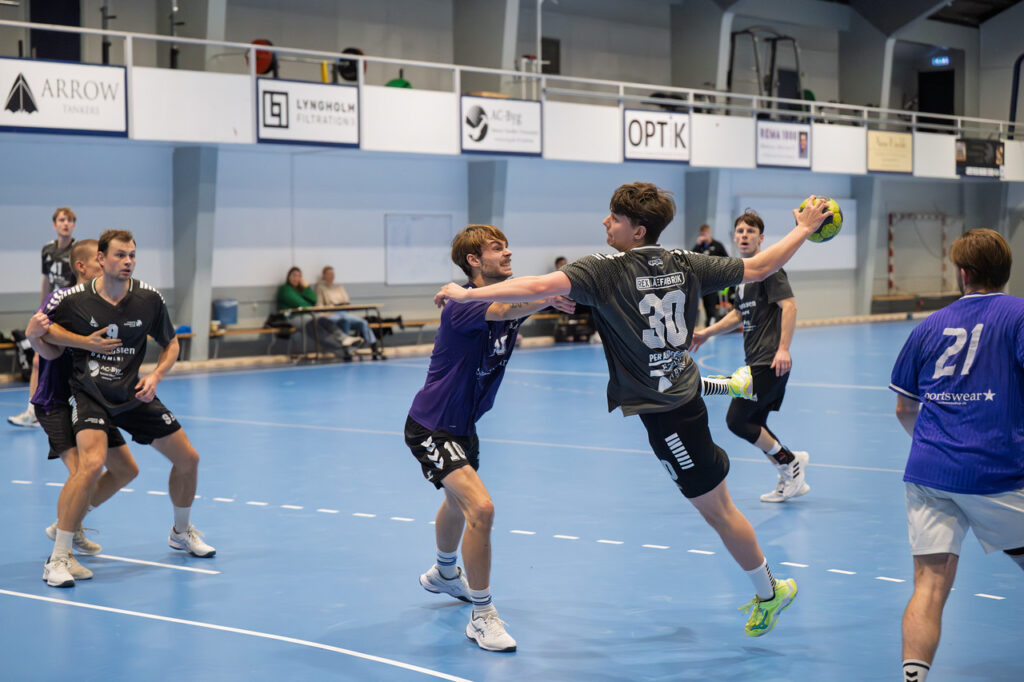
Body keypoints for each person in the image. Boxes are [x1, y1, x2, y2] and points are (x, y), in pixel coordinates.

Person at [434, 183, 832, 637]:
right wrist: (802, 230)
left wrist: (467, 294)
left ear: (637, 229)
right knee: (714, 496)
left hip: (670, 415)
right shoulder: (685, 261)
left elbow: (540, 284)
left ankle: (770, 592)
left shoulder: (604, 270)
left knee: (719, 512)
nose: (605, 222)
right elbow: (762, 265)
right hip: (676, 391)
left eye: (614, 218)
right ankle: (728, 387)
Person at [408, 224, 574, 653]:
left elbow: (516, 303)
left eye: (506, 246)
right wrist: (549, 296)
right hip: (432, 425)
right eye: (497, 248)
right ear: (473, 261)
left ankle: (445, 573)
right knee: (481, 508)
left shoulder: (500, 299)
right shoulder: (463, 304)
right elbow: (503, 308)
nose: (508, 252)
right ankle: (482, 616)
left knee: (456, 502)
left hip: (464, 425)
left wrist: (548, 299)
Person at [41, 229, 216, 588]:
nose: (128, 261)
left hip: (133, 392)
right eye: (120, 255)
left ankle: (181, 532)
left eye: (132, 255)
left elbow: (171, 344)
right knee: (91, 465)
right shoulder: (72, 300)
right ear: (101, 259)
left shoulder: (148, 298)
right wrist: (83, 341)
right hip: (89, 393)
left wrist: (156, 376)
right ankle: (57, 558)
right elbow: (45, 333)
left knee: (189, 459)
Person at [889, 228, 1024, 682]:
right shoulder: (1019, 316)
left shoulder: (928, 326)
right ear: (1005, 271)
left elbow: (904, 408)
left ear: (962, 273)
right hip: (997, 473)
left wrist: (937, 447)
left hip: (928, 473)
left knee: (929, 586)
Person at [26, 239, 141, 585]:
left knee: (126, 469)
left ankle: (71, 524)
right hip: (57, 400)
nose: (107, 265)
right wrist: (40, 337)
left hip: (92, 399)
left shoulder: (107, 300)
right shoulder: (61, 300)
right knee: (82, 471)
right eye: (99, 261)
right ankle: (60, 558)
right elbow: (44, 343)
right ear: (83, 266)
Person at [690, 210, 808, 503]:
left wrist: (783, 348)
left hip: (770, 360)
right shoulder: (742, 276)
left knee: (737, 420)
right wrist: (706, 333)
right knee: (755, 422)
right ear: (734, 237)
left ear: (761, 238)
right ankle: (789, 472)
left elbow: (789, 306)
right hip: (755, 359)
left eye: (750, 231)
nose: (744, 236)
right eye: (740, 231)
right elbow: (737, 314)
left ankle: (790, 461)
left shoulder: (771, 269)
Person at [9, 207, 78, 428]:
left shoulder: (77, 251)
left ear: (74, 225)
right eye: (62, 220)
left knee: (63, 362)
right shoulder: (48, 250)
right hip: (53, 312)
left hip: (72, 314)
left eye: (70, 220)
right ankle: (34, 411)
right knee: (38, 359)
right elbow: (47, 281)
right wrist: (42, 309)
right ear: (54, 224)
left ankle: (68, 409)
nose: (66, 223)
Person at [278, 266, 361, 357]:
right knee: (315, 326)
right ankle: (341, 348)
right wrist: (307, 302)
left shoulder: (301, 290)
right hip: (293, 317)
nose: (296, 278)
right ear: (289, 277)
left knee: (323, 320)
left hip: (308, 316)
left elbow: (314, 301)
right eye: (294, 275)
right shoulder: (285, 289)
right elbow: (302, 304)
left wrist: (306, 287)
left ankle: (344, 338)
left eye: (299, 276)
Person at [314, 265, 377, 347]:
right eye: (329, 274)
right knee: (345, 321)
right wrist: (326, 312)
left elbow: (346, 301)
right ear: (324, 275)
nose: (332, 276)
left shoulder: (339, 287)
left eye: (333, 274)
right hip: (332, 313)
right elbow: (319, 304)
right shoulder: (320, 288)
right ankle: (347, 347)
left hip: (344, 311)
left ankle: (373, 344)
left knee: (363, 322)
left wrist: (342, 305)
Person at [692, 224, 729, 326]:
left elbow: (727, 260)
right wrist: (697, 245)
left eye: (705, 234)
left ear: (709, 233)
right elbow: (691, 258)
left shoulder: (717, 245)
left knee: (711, 306)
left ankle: (711, 324)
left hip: (713, 281)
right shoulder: (699, 247)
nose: (703, 236)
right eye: (701, 234)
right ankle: (706, 324)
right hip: (701, 282)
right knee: (701, 305)